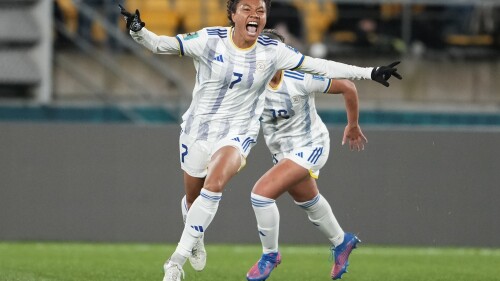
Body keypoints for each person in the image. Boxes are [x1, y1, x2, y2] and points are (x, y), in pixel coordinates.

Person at [119, 1, 401, 280]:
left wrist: (369, 73)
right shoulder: (221, 52)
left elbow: (323, 68)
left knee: (243, 190)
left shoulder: (286, 65)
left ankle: (192, 261)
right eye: (247, 10)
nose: (255, 16)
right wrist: (138, 31)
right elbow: (160, 45)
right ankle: (341, 241)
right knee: (301, 199)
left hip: (275, 140)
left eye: (261, 11)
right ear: (232, 15)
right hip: (209, 134)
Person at [246, 29, 368, 281]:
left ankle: (270, 255)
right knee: (308, 202)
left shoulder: (300, 77)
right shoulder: (250, 84)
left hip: (312, 145)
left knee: (260, 195)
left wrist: (353, 125)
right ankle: (341, 241)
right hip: (283, 152)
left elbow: (348, 87)